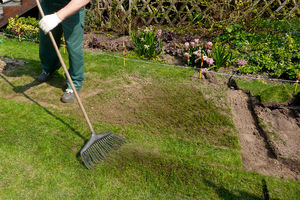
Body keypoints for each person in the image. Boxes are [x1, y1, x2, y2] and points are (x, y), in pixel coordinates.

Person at [38, 0, 90, 103]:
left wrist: (57, 17)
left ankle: (75, 83)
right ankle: (49, 68)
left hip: (72, 6)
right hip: (48, 4)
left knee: (73, 47)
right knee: (47, 41)